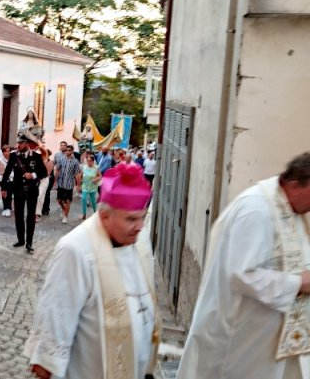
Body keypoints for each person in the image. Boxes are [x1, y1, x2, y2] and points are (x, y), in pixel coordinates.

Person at [176, 152, 310, 379]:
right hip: (239, 341)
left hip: (267, 341)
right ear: (295, 185)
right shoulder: (256, 210)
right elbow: (241, 274)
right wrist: (298, 283)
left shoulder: (290, 209)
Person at [24, 163, 158, 379]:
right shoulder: (75, 250)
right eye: (131, 219)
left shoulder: (138, 240)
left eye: (142, 217)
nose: (140, 226)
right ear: (105, 215)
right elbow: (56, 319)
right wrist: (47, 362)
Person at [1, 134, 47, 254]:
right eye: (18, 143)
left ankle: (29, 242)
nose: (19, 145)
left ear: (27, 144)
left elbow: (44, 172)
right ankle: (21, 239)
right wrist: (4, 187)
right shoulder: (14, 155)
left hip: (31, 190)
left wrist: (33, 175)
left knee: (30, 216)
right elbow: (7, 171)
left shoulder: (36, 156)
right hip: (18, 190)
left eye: (21, 143)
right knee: (19, 216)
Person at [55, 144, 82, 224]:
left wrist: (78, 185)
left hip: (69, 184)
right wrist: (55, 181)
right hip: (61, 183)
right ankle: (63, 209)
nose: (67, 151)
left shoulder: (75, 161)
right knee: (59, 200)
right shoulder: (61, 159)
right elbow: (57, 170)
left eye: (69, 150)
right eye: (66, 150)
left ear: (72, 151)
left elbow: (77, 174)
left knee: (67, 201)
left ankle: (66, 216)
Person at [79, 151, 101, 220]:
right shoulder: (84, 167)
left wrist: (96, 179)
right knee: (84, 199)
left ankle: (95, 212)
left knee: (93, 200)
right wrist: (80, 183)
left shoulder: (96, 168)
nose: (89, 162)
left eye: (90, 161)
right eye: (88, 161)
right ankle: (84, 214)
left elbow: (100, 176)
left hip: (92, 186)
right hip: (85, 185)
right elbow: (81, 175)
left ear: (93, 161)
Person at [35, 147, 54, 222]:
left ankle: (38, 214)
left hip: (44, 180)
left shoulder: (49, 162)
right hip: (35, 180)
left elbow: (47, 174)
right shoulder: (37, 161)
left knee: (40, 196)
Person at [0, 144, 14, 217]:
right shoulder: (0, 160)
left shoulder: (13, 159)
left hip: (12, 179)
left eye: (9, 151)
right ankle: (5, 208)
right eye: (6, 151)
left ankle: (9, 208)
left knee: (10, 194)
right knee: (4, 194)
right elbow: (2, 171)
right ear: (3, 152)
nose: (8, 153)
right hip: (4, 179)